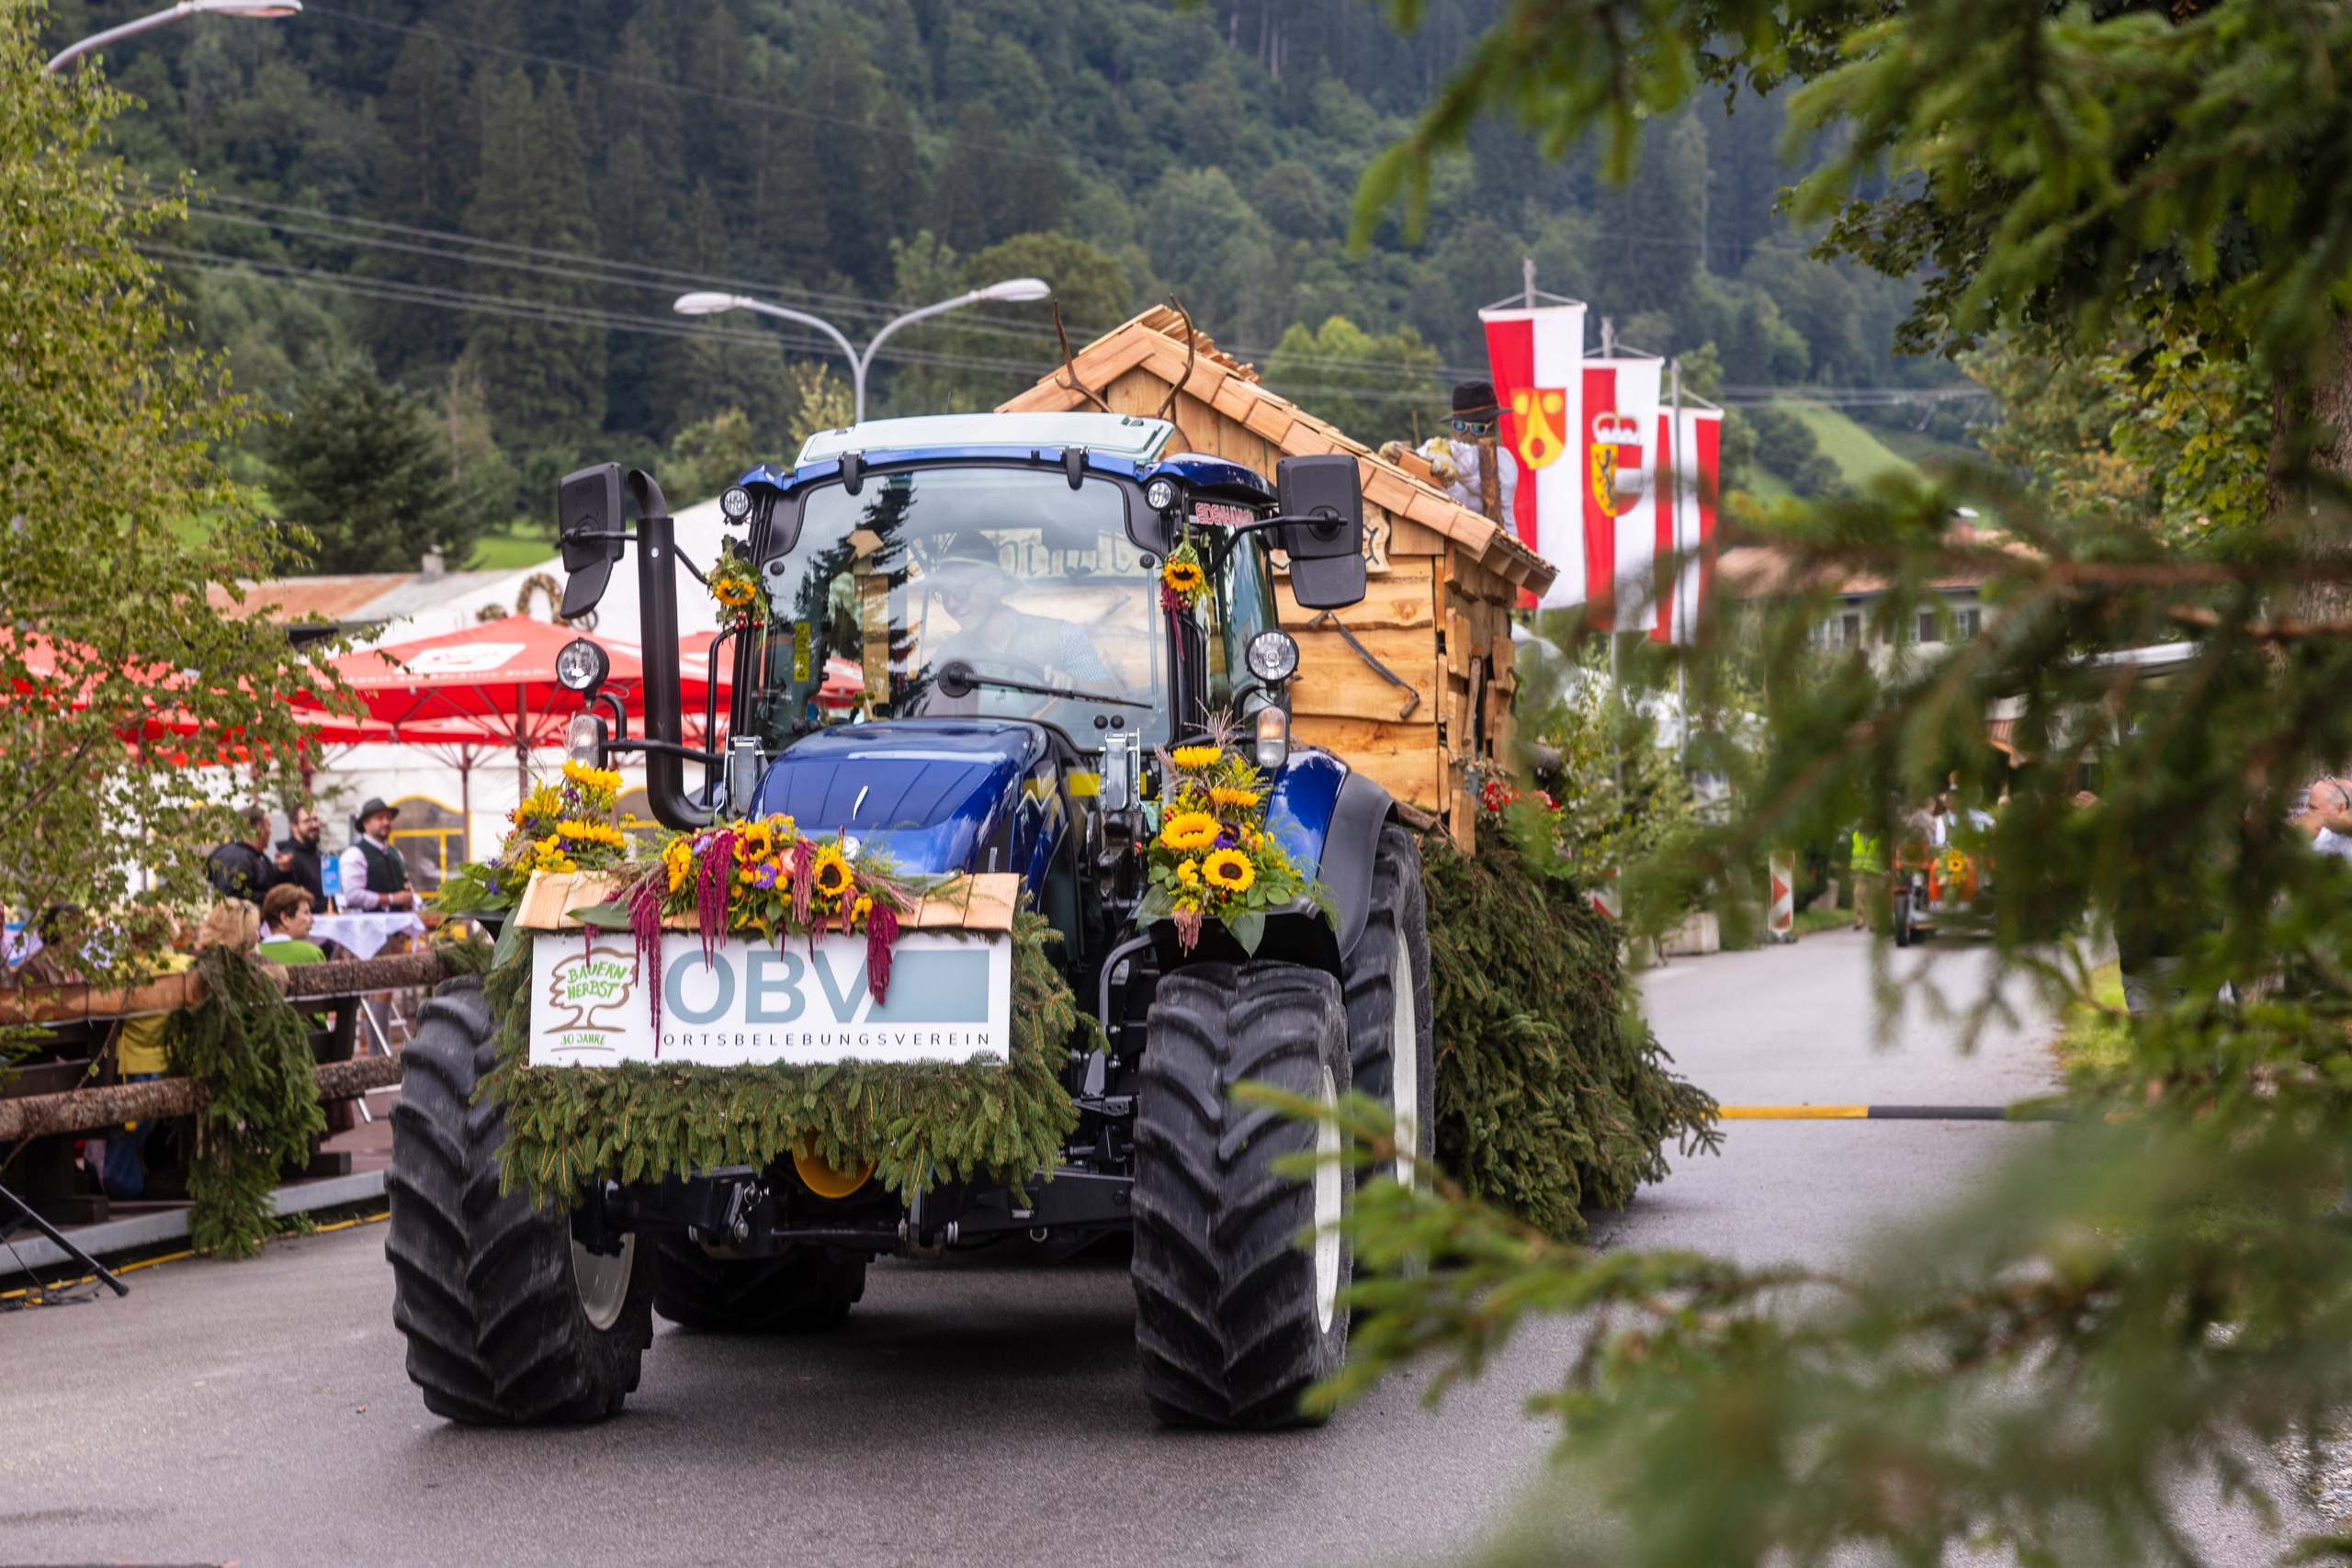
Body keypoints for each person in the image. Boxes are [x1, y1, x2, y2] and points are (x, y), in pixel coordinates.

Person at [922, 536, 1120, 704]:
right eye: (943, 594)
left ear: (995, 586)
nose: (951, 604)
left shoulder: (1063, 637)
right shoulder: (943, 659)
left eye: (960, 591)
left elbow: (1116, 704)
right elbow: (916, 711)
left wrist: (1073, 684)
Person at [338, 798, 416, 912]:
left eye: (389, 818)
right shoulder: (355, 854)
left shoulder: (396, 853)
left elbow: (407, 887)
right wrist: (391, 899)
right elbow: (352, 896)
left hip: (402, 920)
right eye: (380, 818)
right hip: (368, 922)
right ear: (366, 823)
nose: (386, 822)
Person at [205, 807, 277, 904]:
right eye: (269, 826)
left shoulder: (255, 855)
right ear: (259, 828)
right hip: (243, 914)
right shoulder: (237, 858)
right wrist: (273, 899)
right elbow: (234, 897)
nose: (270, 832)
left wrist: (283, 871)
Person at [258, 884, 327, 966]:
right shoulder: (312, 953)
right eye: (306, 913)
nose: (312, 920)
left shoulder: (250, 956)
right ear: (285, 919)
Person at [276, 805, 327, 914]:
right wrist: (283, 872)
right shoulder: (288, 857)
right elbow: (287, 897)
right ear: (294, 827)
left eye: (315, 819)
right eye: (307, 821)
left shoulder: (320, 855)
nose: (314, 825)